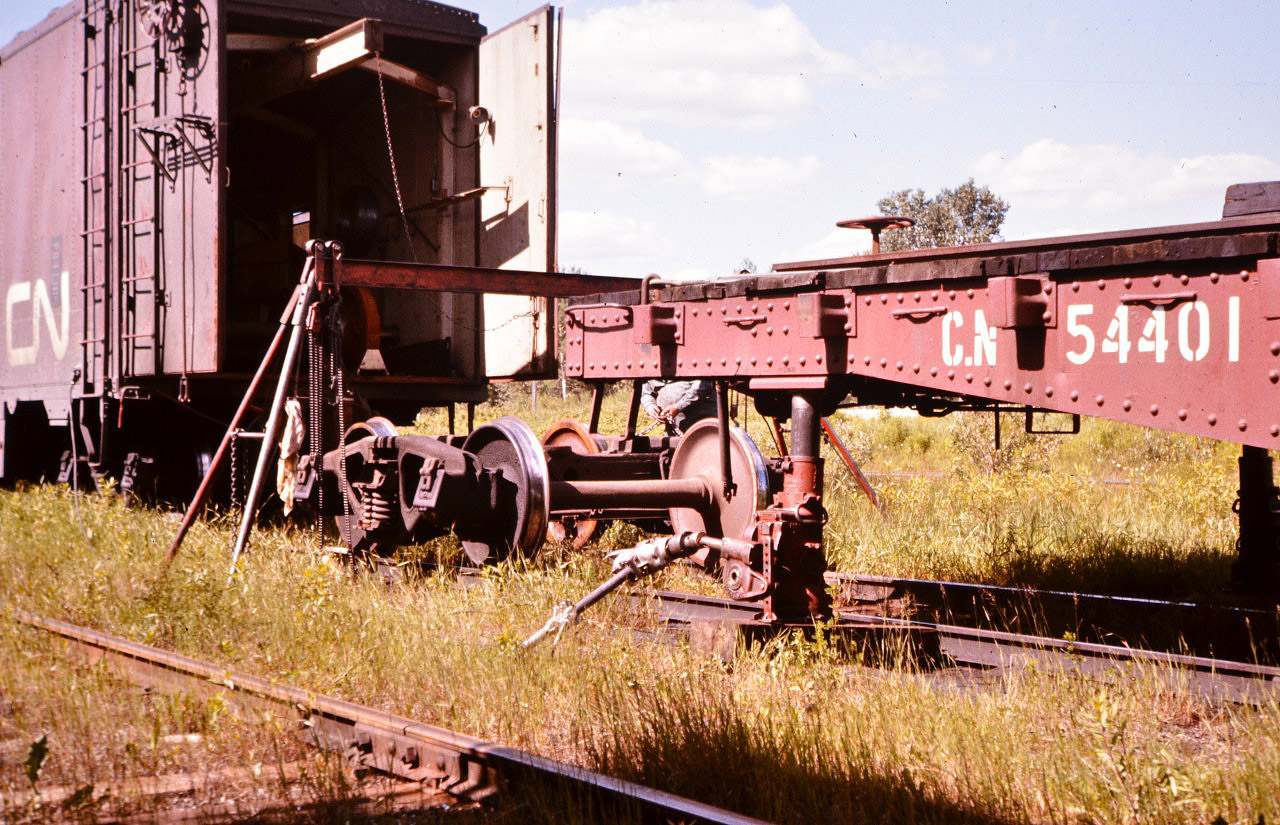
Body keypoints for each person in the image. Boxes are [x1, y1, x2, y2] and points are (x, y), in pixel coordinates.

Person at [639, 379, 717, 435]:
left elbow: (702, 386)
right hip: (673, 428)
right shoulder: (654, 366)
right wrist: (650, 406)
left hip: (701, 424)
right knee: (669, 456)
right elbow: (646, 392)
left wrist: (679, 406)